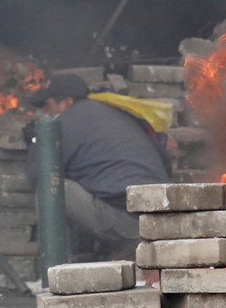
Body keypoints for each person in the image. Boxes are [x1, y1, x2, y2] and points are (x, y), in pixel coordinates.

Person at [25, 74, 170, 257]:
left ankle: (59, 273)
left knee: (52, 189)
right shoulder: (114, 112)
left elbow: (38, 175)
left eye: (48, 106)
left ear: (66, 102)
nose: (45, 113)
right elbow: (164, 158)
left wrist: (36, 143)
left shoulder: (67, 122)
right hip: (160, 220)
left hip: (130, 224)